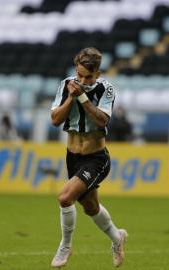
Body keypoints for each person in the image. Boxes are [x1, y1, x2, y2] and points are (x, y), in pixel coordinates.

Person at [50, 47, 128, 268]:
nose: (82, 80)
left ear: (97, 75)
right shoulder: (67, 85)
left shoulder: (107, 89)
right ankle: (117, 237)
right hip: (72, 157)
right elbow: (55, 119)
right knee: (91, 208)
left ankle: (65, 246)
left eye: (88, 77)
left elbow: (103, 120)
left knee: (65, 198)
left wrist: (82, 97)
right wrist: (71, 98)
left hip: (96, 158)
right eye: (79, 75)